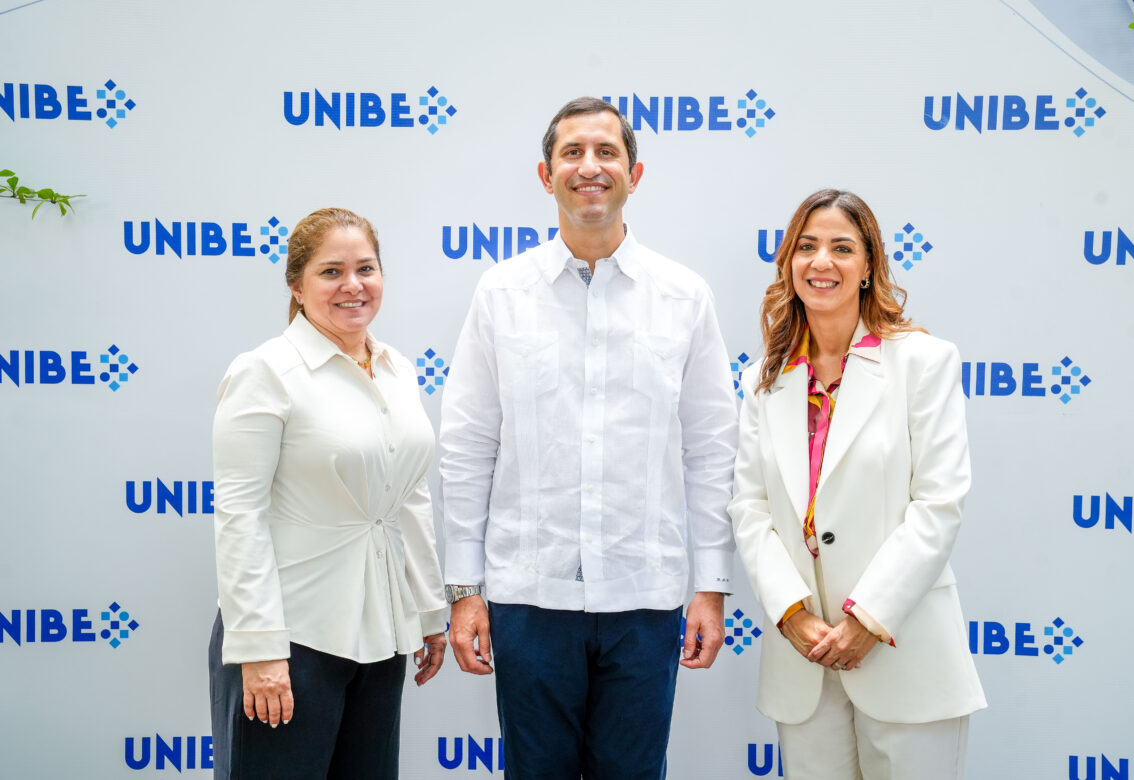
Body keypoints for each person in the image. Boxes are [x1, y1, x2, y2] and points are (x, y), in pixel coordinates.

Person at [439, 96, 739, 779]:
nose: (590, 167)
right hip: (528, 601)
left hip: (646, 599)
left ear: (635, 173)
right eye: (572, 153)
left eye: (607, 152)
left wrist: (712, 584)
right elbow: (466, 445)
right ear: (546, 176)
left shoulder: (684, 297)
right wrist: (464, 590)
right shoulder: (501, 294)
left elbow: (712, 449)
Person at [729, 189, 986, 780]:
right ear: (788, 262)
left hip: (904, 651)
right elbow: (750, 507)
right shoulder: (764, 380)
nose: (822, 262)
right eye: (807, 247)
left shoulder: (923, 362)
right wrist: (791, 613)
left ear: (869, 266)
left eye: (842, 248)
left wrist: (868, 619)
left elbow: (939, 505)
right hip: (804, 661)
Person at [209, 207, 447, 779]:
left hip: (382, 631)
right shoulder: (266, 371)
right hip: (291, 639)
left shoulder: (397, 370)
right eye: (331, 271)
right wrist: (260, 648)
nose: (353, 285)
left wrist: (429, 609)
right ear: (297, 284)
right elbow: (240, 515)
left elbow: (408, 499)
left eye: (366, 268)